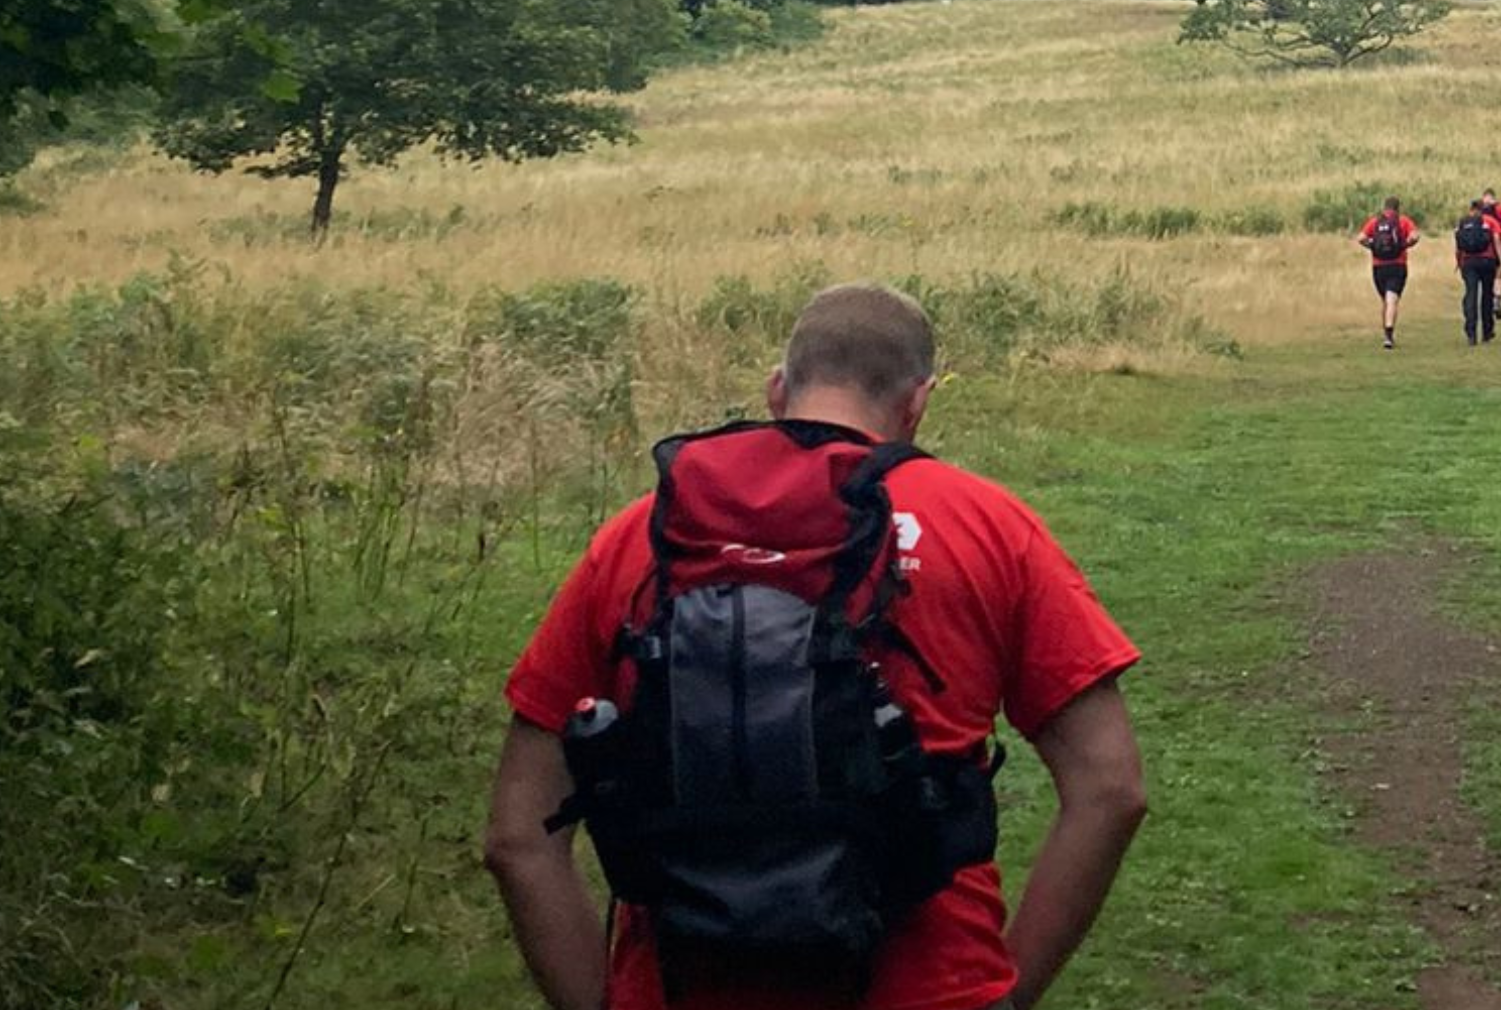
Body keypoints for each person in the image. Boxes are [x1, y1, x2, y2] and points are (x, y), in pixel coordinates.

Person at [485, 283, 1147, 1010]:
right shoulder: (987, 526)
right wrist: (1007, 997)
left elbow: (518, 838)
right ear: (917, 402)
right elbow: (1110, 789)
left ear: (777, 390)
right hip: (933, 991)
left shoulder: (642, 538)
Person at [1354, 197, 1418, 349]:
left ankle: (1386, 333)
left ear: (1384, 208)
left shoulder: (1375, 222)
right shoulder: (1403, 221)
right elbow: (1415, 236)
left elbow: (1361, 238)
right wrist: (1405, 245)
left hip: (1378, 267)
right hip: (1397, 265)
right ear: (1398, 208)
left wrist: (1372, 246)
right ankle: (1389, 335)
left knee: (1386, 300)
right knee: (1392, 300)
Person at [1452, 198, 1501, 346]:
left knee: (1471, 294)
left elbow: (1458, 244)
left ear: (1471, 209)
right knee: (1487, 296)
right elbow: (1497, 240)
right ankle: (1487, 332)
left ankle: (1471, 333)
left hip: (1468, 262)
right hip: (1487, 262)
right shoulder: (1490, 221)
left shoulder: (1462, 222)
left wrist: (1458, 261)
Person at [1477, 190, 1501, 321]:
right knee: (1499, 275)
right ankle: (1497, 300)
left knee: (1485, 276)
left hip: (1482, 248)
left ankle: (1486, 302)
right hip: (1500, 244)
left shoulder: (1478, 210)